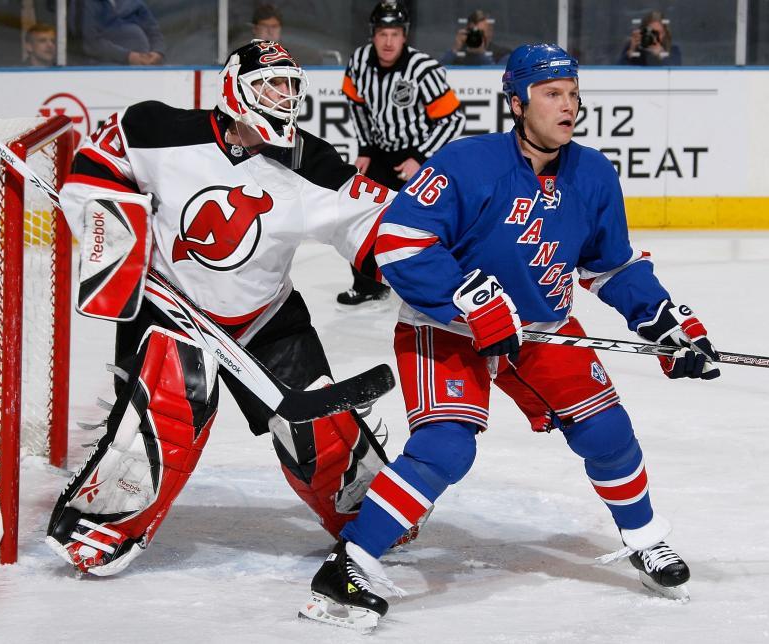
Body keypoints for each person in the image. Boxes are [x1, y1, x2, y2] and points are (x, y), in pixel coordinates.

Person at [302, 44, 720, 630]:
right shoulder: (468, 164)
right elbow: (398, 242)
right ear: (518, 102)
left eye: (573, 94)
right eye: (553, 95)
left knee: (607, 430)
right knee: (447, 447)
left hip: (541, 330)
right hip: (443, 327)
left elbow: (611, 266)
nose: (568, 107)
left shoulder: (593, 174)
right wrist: (470, 299)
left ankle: (645, 537)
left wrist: (665, 322)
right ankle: (349, 566)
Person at [45, 40, 403, 576]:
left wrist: (428, 270)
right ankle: (102, 523)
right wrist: (113, 232)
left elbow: (377, 227)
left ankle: (364, 510)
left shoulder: (312, 162)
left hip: (265, 315)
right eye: (269, 86)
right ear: (236, 87)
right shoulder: (160, 130)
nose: (282, 99)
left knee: (320, 426)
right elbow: (100, 163)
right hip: (173, 309)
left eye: (290, 87)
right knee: (163, 415)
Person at [337, 0, 465, 306]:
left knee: (427, 224)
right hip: (380, 152)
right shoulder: (358, 62)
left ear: (404, 35)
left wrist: (419, 157)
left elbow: (453, 119)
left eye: (395, 33)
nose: (388, 41)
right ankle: (369, 285)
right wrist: (366, 148)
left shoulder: (423, 69)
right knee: (361, 216)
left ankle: (444, 288)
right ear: (373, 35)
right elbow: (357, 106)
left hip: (419, 154)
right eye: (382, 33)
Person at [72, 0, 165, 66]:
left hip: (144, 69)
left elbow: (153, 31)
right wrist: (129, 57)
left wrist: (157, 52)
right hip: (104, 70)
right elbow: (90, 42)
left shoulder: (134, 2)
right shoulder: (84, 3)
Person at [440, 9, 511, 66]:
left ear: (490, 32)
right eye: (472, 32)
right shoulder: (457, 57)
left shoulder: (501, 54)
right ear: (466, 32)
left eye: (480, 32)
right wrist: (455, 49)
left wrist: (482, 54)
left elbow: (499, 77)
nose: (475, 36)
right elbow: (439, 73)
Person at [618, 11, 682, 66]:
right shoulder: (635, 49)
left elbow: (675, 72)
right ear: (643, 32)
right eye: (651, 32)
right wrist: (631, 52)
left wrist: (661, 55)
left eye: (658, 33)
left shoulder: (673, 50)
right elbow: (617, 72)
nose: (655, 37)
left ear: (664, 34)